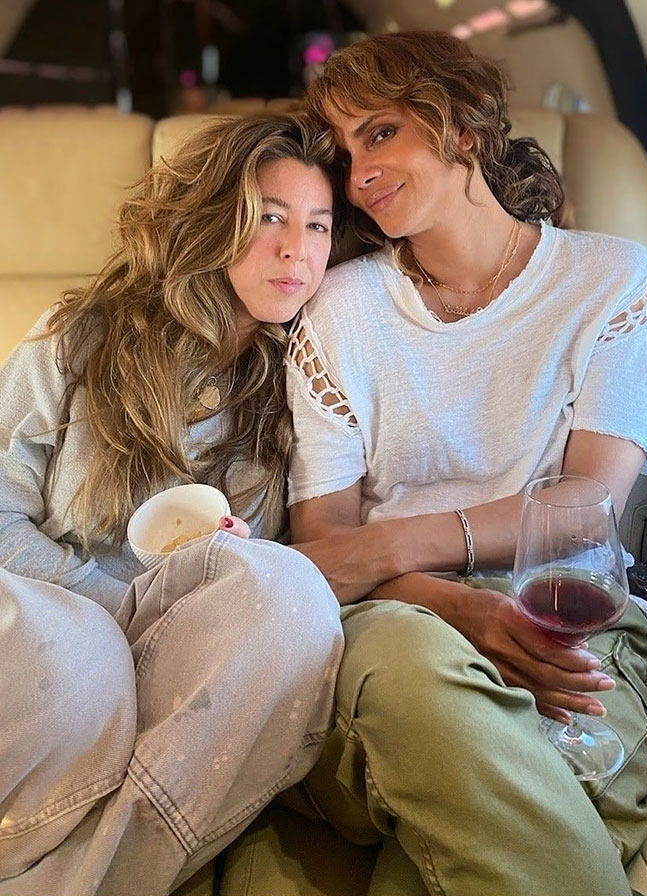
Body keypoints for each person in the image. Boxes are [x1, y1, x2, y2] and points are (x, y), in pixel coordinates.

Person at [283, 31, 647, 896]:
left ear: (462, 127)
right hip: (398, 623)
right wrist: (451, 602)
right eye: (344, 153)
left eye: (381, 133)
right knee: (438, 707)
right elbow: (324, 542)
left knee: (549, 786)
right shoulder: (340, 312)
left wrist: (391, 545)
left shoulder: (615, 285)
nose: (359, 176)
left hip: (565, 612)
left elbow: (584, 508)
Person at [0, 113, 347, 896]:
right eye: (270, 217)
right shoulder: (78, 338)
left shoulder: (307, 383)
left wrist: (228, 562)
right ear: (212, 220)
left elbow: (263, 597)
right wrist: (109, 608)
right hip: (51, 641)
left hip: (183, 663)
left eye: (319, 226)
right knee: (80, 659)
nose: (299, 249)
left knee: (293, 598)